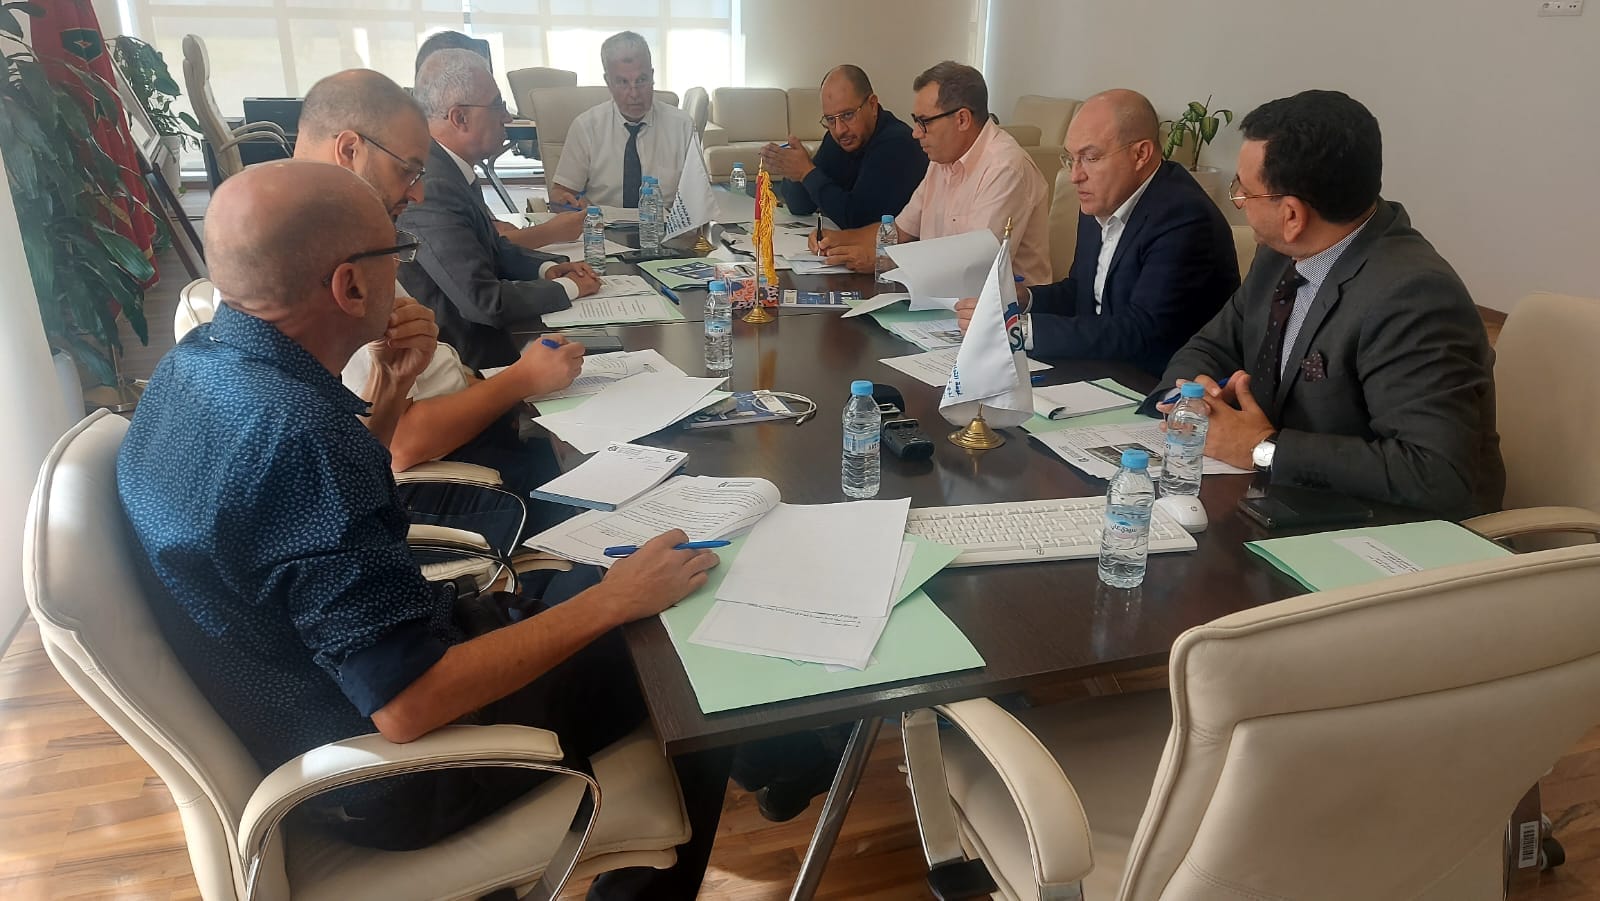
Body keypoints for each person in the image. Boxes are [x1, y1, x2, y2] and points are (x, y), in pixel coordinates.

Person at [118, 160, 731, 900]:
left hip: (325, 691)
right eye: (396, 252)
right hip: (393, 773)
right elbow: (407, 704)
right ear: (350, 286)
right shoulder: (300, 438)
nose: (404, 271)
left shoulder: (195, 369)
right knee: (687, 664)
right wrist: (613, 602)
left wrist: (393, 386)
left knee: (604, 579)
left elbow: (317, 528)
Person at [1152, 90, 1504, 519]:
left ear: (1292, 215)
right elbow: (1211, 345)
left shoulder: (1414, 296)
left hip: (1385, 532)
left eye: (1244, 192)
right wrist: (1193, 398)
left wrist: (1262, 448)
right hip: (1281, 503)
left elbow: (1435, 473)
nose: (1238, 202)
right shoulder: (1278, 255)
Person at [293, 69, 583, 527]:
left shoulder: (345, 231)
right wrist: (521, 380)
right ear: (349, 151)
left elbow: (411, 384)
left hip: (472, 428)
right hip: (451, 482)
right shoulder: (328, 262)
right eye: (407, 171)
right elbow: (402, 444)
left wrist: (505, 387)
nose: (419, 192)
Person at [954, 89, 1238, 376]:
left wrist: (1017, 329)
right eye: (1071, 159)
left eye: (1090, 158)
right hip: (1100, 368)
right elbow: (1083, 292)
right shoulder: (1103, 196)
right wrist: (1025, 299)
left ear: (1140, 154)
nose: (1076, 175)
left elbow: (1142, 331)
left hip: (1156, 383)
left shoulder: (1184, 218)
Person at [400, 49, 601, 372]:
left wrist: (547, 268)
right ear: (459, 118)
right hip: (466, 361)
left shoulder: (450, 167)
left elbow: (491, 248)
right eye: (497, 105)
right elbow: (484, 301)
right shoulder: (433, 184)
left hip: (485, 341)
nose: (507, 117)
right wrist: (569, 288)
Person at [812, 61, 1050, 285]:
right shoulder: (942, 160)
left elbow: (975, 266)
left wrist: (885, 261)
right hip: (939, 297)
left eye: (924, 122)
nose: (915, 133)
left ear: (962, 119)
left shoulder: (1005, 168)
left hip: (998, 309)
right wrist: (839, 240)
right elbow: (899, 231)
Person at [759, 64, 927, 229]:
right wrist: (795, 172)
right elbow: (801, 206)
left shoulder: (897, 143)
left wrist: (806, 172)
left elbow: (858, 220)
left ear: (872, 105)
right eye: (830, 119)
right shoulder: (839, 139)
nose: (840, 130)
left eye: (848, 115)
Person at [548, 31, 697, 210]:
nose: (634, 93)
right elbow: (561, 192)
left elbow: (697, 198)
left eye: (641, 80)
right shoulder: (586, 127)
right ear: (608, 82)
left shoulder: (682, 126)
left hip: (664, 224)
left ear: (652, 76)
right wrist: (567, 201)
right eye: (623, 82)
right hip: (601, 224)